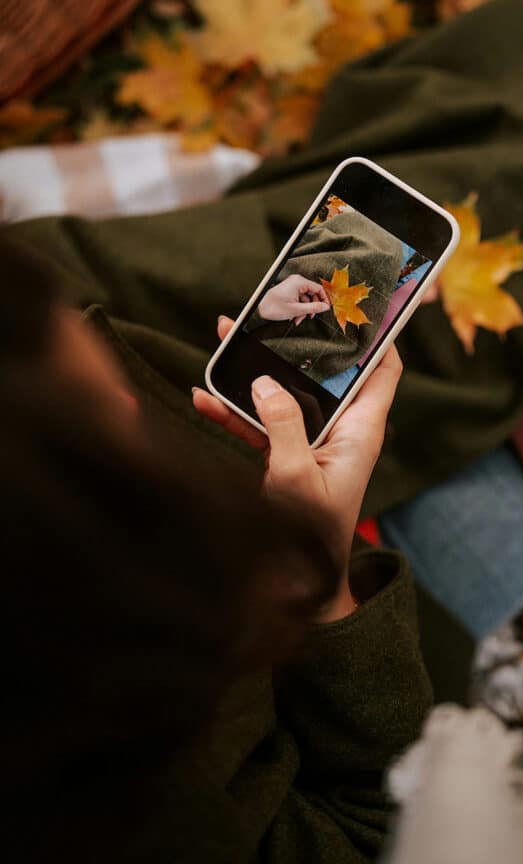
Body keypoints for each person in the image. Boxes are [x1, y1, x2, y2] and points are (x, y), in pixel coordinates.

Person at [1, 237, 434, 863]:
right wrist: (318, 586)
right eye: (94, 413)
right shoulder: (151, 804)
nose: (132, 401)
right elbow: (390, 832)